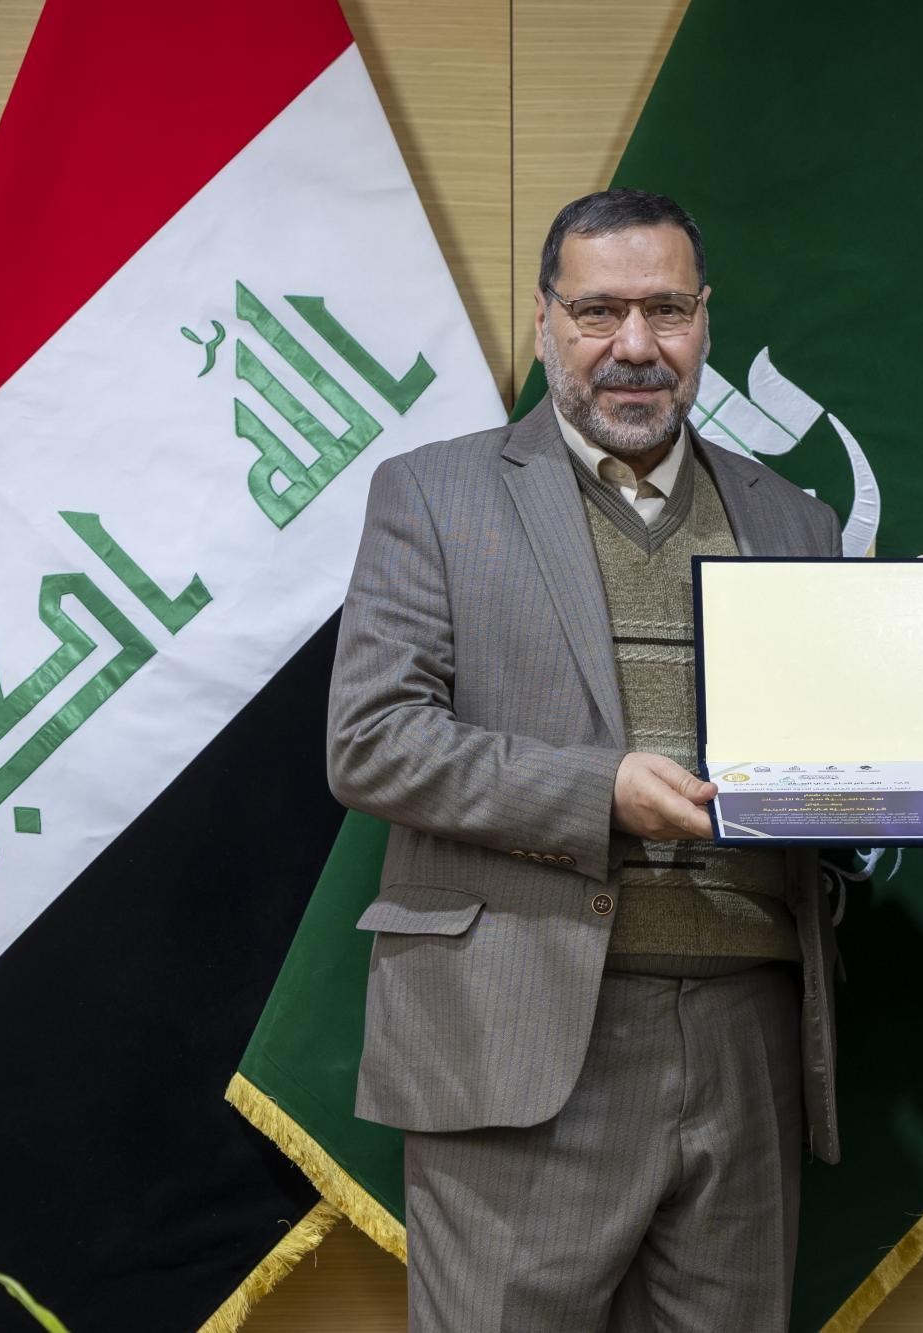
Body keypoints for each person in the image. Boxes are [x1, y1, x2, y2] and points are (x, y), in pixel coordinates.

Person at [327, 187, 842, 1333]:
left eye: (667, 310)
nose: (634, 345)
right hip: (516, 1027)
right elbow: (370, 741)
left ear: (704, 319)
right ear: (545, 319)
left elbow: (837, 762)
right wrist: (597, 792)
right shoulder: (435, 494)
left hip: (747, 1036)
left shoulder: (794, 521)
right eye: (598, 311)